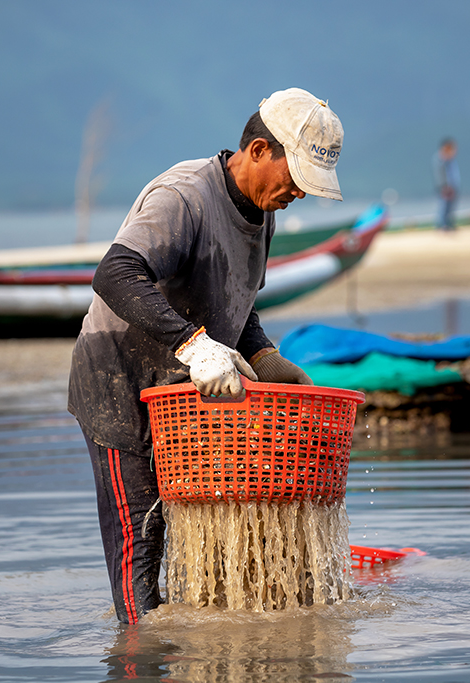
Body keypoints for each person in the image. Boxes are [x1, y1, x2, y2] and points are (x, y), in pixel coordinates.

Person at [67, 88, 342, 624]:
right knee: (142, 542)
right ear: (259, 150)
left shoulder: (263, 213)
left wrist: (262, 355)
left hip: (185, 395)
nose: (299, 194)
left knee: (201, 531)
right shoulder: (184, 197)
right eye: (297, 178)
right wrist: (195, 346)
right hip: (119, 380)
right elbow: (116, 274)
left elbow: (235, 300)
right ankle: (137, 656)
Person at [432, 138, 460, 231]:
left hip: (453, 186)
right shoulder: (440, 159)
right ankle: (441, 225)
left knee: (451, 207)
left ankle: (448, 224)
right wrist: (444, 186)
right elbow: (439, 175)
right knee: (443, 206)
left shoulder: (451, 160)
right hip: (444, 187)